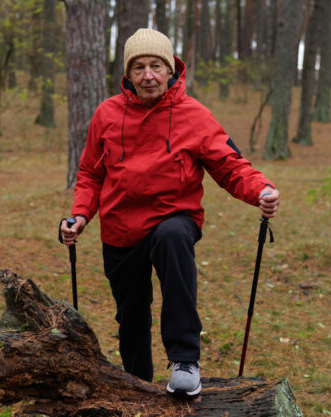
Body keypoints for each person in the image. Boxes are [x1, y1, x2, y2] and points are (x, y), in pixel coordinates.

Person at [60, 28, 280, 397]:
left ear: (171, 69)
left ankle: (184, 361)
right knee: (131, 314)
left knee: (173, 236)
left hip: (172, 218)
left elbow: (229, 165)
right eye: (140, 67)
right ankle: (137, 382)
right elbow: (91, 173)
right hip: (120, 227)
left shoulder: (194, 115)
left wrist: (261, 189)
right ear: (128, 74)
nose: (148, 75)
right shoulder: (107, 114)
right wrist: (80, 215)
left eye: (156, 66)